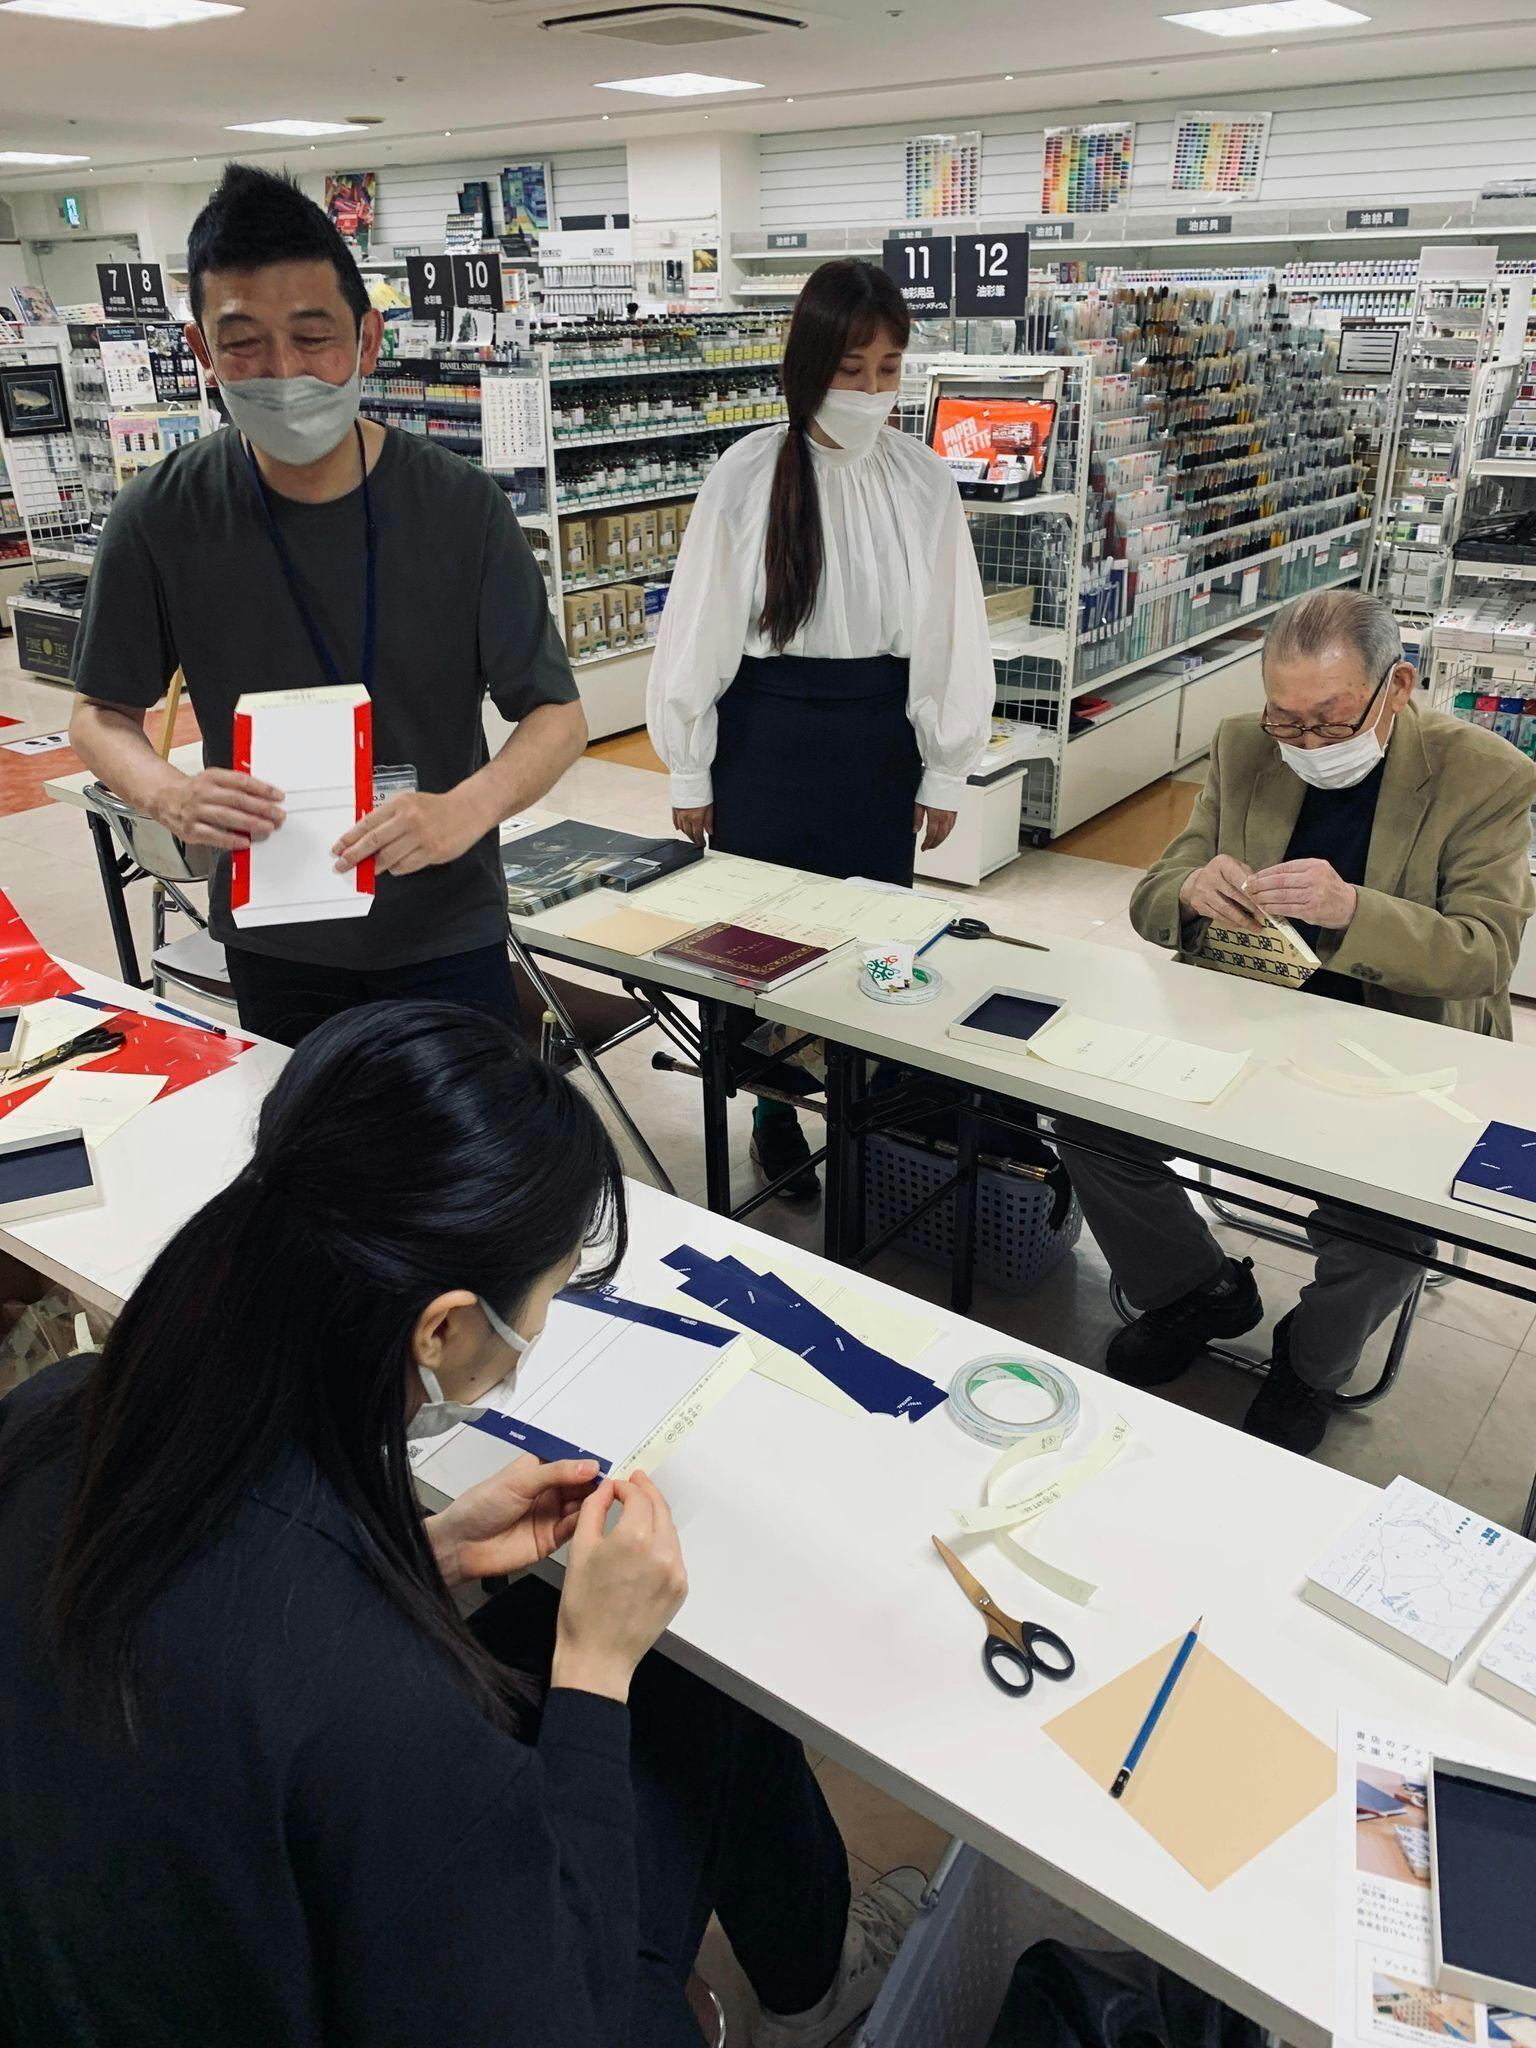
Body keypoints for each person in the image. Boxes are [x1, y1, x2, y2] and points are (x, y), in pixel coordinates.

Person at [0, 1003, 922, 2048]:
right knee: (682, 1679)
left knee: (666, 1671)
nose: (536, 1332)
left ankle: (806, 1975)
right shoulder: (381, 1716)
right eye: (547, 1299)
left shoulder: (64, 1412)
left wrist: (416, 1560)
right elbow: (549, 2008)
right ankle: (809, 1985)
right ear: (441, 1328)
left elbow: (236, 1616)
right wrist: (594, 1667)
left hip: (147, 1931)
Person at [68, 165, 587, 1048]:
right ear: (201, 352)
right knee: (310, 1133)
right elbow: (98, 715)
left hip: (444, 923)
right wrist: (169, 794)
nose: (283, 372)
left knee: (459, 1137)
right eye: (243, 344)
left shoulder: (461, 508)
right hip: (275, 932)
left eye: (314, 338)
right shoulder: (161, 515)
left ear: (368, 340)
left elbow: (558, 717)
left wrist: (466, 809)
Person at [1055, 588, 1536, 1456]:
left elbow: (1485, 952)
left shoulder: (1484, 775)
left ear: (1399, 687)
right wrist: (1189, 892)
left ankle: (1309, 1361)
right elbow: (1155, 894)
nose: (1307, 744)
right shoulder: (1244, 745)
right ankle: (1196, 1291)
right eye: (1287, 719)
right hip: (1250, 1013)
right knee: (1088, 1124)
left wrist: (1353, 911)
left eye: (1330, 720)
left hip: (1398, 1047)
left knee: (1391, 1235)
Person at [647, 258, 994, 1200]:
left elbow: (949, 631)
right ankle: (772, 1113)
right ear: (808, 366)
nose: (872, 390)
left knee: (870, 939)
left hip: (876, 743)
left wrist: (945, 770)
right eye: (851, 368)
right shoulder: (746, 474)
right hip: (765, 741)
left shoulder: (923, 478)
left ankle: (861, 1110)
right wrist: (690, 768)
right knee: (759, 943)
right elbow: (701, 624)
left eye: (889, 368)